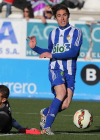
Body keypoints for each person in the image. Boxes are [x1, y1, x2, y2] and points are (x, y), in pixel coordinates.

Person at [28, 4, 82, 135]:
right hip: (55, 68)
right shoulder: (52, 34)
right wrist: (35, 48)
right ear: (55, 18)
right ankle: (46, 127)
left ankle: (45, 112)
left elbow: (73, 52)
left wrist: (52, 54)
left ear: (68, 16)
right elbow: (50, 52)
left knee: (65, 104)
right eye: (59, 16)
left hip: (70, 70)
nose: (62, 18)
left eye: (64, 15)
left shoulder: (76, 32)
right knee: (61, 92)